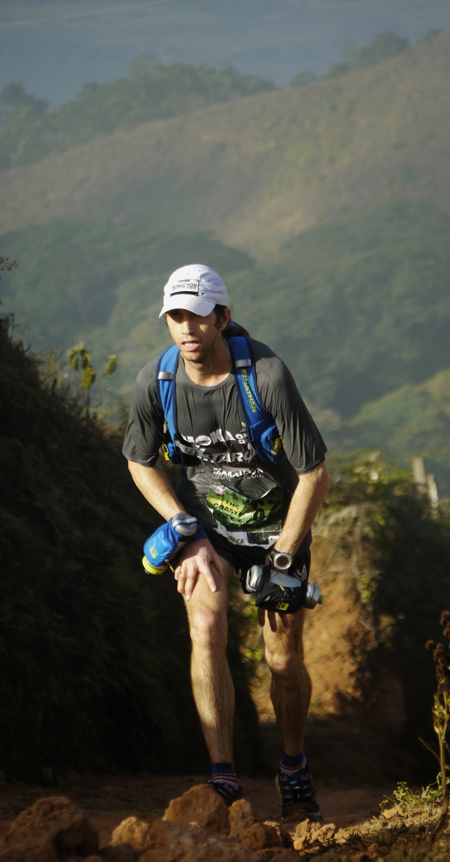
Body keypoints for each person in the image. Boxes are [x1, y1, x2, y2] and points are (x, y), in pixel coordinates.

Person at [123, 264, 330, 820]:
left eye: (197, 315)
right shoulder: (156, 382)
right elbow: (139, 462)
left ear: (223, 317)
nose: (187, 328)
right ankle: (222, 778)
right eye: (176, 316)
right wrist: (181, 527)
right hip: (206, 530)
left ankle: (293, 768)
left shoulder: (266, 375)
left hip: (276, 529)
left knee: (282, 660)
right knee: (206, 629)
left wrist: (285, 553)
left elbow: (314, 473)